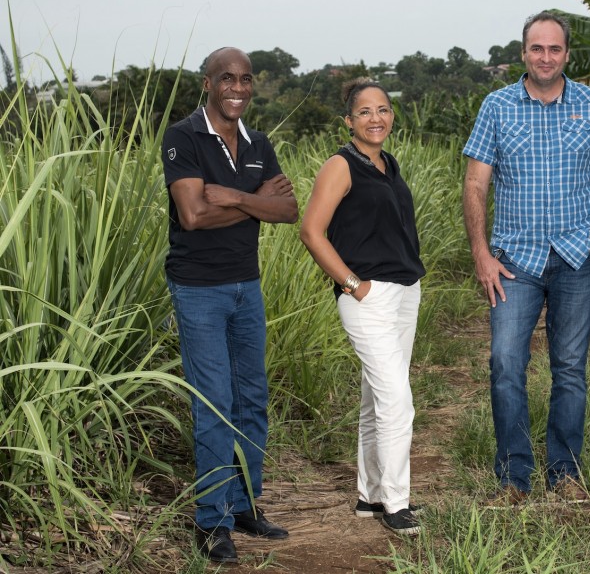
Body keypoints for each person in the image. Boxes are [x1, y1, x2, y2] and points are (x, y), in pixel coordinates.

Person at [462, 11, 590, 506]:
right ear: (523, 53)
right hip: (513, 260)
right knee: (505, 363)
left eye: (554, 49)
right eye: (536, 48)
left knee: (571, 368)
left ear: (566, 54)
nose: (545, 57)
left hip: (577, 258)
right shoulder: (497, 106)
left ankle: (565, 473)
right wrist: (481, 253)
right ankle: (514, 479)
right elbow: (476, 183)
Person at [162, 47, 297, 564]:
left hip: (248, 286)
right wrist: (255, 198)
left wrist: (236, 197)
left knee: (252, 399)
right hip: (199, 289)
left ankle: (243, 505)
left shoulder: (258, 143)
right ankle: (211, 522)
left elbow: (286, 209)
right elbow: (193, 215)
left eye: (245, 79)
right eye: (226, 79)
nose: (237, 87)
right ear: (208, 84)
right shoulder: (184, 136)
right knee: (214, 404)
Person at [299, 79, 425, 536]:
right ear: (348, 121)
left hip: (404, 291)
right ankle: (397, 502)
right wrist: (352, 285)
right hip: (367, 296)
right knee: (396, 401)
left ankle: (371, 496)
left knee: (378, 400)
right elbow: (311, 231)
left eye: (384, 110)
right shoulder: (341, 165)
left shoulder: (387, 163)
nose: (376, 118)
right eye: (365, 112)